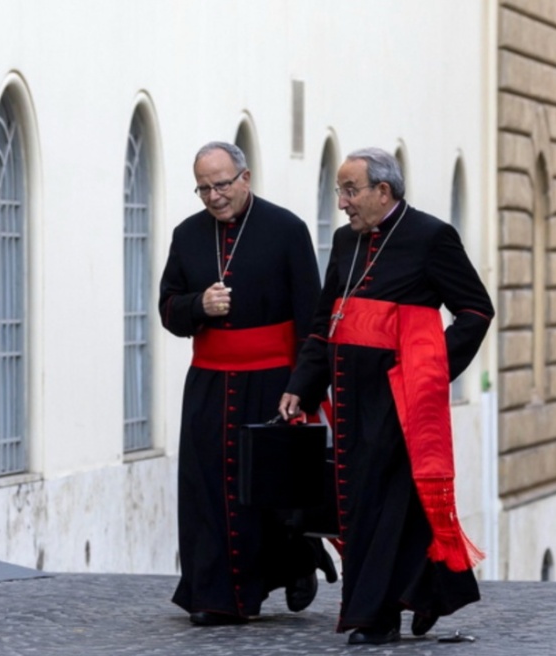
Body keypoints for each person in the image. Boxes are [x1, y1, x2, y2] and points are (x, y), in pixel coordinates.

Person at [279, 147, 493, 645]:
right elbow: (325, 321)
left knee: (385, 503)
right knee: (376, 502)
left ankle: (375, 618)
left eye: (350, 191)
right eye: (340, 191)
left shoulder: (432, 236)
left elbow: (476, 310)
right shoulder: (345, 240)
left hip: (402, 396)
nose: (342, 202)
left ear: (383, 190)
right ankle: (428, 592)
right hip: (350, 398)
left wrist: (429, 367)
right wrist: (302, 385)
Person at [160, 141, 335, 626]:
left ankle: (297, 561)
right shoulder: (187, 235)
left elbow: (313, 317)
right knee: (207, 488)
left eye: (221, 185)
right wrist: (199, 305)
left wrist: (304, 385)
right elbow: (168, 308)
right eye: (203, 189)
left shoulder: (286, 229)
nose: (213, 196)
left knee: (270, 491)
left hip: (273, 380)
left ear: (245, 178)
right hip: (209, 384)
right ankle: (214, 595)